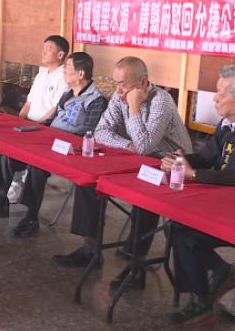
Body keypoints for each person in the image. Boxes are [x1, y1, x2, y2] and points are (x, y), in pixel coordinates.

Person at [53, 57, 192, 286]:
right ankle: (90, 248)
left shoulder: (161, 101)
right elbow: (100, 131)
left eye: (124, 85)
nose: (118, 91)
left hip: (173, 165)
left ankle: (136, 265)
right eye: (116, 84)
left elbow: (145, 146)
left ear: (143, 82)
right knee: (90, 179)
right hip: (136, 156)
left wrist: (134, 107)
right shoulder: (120, 97)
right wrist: (127, 145)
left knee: (145, 193)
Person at [164, 65, 235, 326]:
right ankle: (220, 273)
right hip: (224, 200)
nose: (214, 99)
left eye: (221, 93)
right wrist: (180, 160)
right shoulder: (229, 122)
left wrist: (194, 174)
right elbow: (207, 156)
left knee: (185, 233)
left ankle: (201, 300)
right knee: (175, 225)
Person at [0, 52, 109, 239]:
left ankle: (31, 216)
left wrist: (61, 140)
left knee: (36, 165)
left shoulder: (95, 100)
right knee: (7, 150)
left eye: (68, 68)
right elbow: (52, 119)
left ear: (80, 74)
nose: (64, 72)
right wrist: (37, 129)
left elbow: (89, 133)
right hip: (50, 140)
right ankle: (0, 202)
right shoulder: (67, 94)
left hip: (69, 149)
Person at [0, 35, 71, 219]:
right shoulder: (42, 74)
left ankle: (28, 211)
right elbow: (28, 103)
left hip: (45, 130)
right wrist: (20, 122)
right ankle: (0, 202)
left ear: (60, 54)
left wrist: (36, 126)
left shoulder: (64, 78)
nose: (44, 52)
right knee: (4, 151)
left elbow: (55, 110)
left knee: (28, 161)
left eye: (49, 49)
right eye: (44, 48)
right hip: (29, 126)